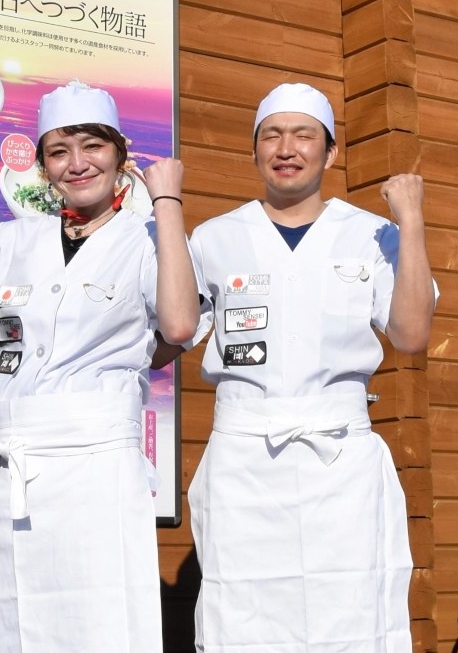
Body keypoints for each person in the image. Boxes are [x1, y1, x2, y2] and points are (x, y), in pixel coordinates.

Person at [186, 82, 436, 652]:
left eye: (303, 135)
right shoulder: (215, 238)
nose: (286, 147)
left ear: (330, 153)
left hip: (340, 458)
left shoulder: (373, 234)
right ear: (254, 151)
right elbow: (176, 331)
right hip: (244, 456)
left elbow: (412, 334)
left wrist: (413, 220)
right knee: (241, 613)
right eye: (271, 134)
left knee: (348, 609)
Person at [0, 80, 203, 652]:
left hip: (96, 467)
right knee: (7, 619)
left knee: (100, 621)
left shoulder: (151, 237)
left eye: (93, 146)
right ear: (43, 166)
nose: (77, 164)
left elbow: (178, 326)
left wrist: (167, 201)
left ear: (120, 153)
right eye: (58, 151)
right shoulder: (7, 242)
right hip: (10, 469)